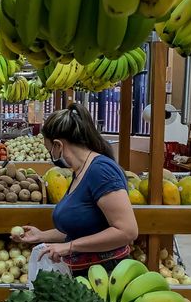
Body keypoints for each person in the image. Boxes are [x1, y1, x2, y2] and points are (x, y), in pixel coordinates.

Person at [14, 103, 138, 276]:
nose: (51, 155)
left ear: (58, 145)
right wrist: (42, 236)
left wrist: (70, 247)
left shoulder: (100, 171)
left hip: (105, 277)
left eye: (49, 149)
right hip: (84, 276)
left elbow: (127, 231)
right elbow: (83, 228)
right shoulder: (79, 172)